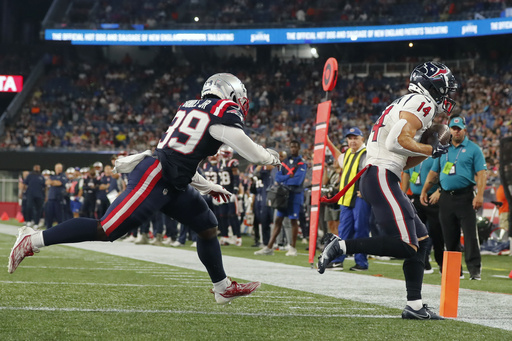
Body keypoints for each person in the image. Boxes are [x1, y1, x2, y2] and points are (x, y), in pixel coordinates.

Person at [8, 73, 281, 304]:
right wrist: (271, 156)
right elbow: (254, 155)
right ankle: (32, 240)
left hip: (171, 178)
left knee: (207, 224)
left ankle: (222, 288)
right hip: (155, 176)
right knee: (106, 229)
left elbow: (181, 158)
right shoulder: (221, 113)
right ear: (230, 94)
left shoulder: (191, 107)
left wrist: (208, 186)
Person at [317, 61, 457, 320]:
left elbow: (404, 157)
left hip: (383, 175)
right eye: (444, 88)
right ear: (431, 87)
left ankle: (414, 306)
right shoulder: (420, 103)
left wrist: (429, 148)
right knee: (405, 244)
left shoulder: (406, 104)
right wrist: (431, 148)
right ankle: (340, 246)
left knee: (422, 240)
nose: (447, 95)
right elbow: (396, 142)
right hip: (380, 174)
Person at [421, 115, 487, 280]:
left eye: (459, 128)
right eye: (453, 128)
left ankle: (474, 270)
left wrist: (479, 195)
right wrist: (424, 190)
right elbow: (434, 172)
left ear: (464, 129)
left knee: (470, 235)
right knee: (449, 236)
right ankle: (454, 271)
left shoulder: (473, 149)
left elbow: (481, 173)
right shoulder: (443, 149)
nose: (456, 131)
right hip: (446, 198)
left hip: (465, 197)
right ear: (449, 130)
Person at [325, 127, 371, 271]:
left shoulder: (367, 153)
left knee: (361, 229)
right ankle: (338, 260)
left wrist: (366, 191)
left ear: (362, 139)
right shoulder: (348, 154)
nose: (352, 141)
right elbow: (338, 156)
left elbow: (372, 174)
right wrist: (327, 142)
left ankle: (361, 262)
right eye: (350, 138)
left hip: (360, 198)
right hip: (346, 198)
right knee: (343, 230)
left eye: (355, 138)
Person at [255, 140, 307, 256]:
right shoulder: (285, 162)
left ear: (299, 148)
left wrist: (285, 179)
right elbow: (277, 178)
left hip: (295, 195)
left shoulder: (302, 163)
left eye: (295, 146)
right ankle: (269, 247)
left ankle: (292, 247)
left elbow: (297, 181)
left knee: (293, 220)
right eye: (291, 146)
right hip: (283, 195)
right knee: (278, 220)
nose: (292, 149)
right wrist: (288, 176)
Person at [401, 157, 444, 274]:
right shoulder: (411, 155)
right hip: (415, 198)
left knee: (437, 233)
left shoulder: (436, 155)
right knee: (416, 233)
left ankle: (442, 264)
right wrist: (403, 194)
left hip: (432, 198)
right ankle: (423, 263)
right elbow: (405, 173)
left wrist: (440, 190)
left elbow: (442, 173)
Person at [44, 163, 68, 229]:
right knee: (49, 217)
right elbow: (47, 182)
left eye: (59, 168)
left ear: (61, 169)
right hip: (51, 199)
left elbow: (59, 183)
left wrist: (52, 182)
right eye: (57, 168)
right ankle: (48, 231)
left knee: (60, 218)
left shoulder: (63, 176)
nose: (58, 169)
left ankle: (60, 231)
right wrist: (54, 182)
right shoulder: (52, 176)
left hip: (59, 199)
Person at [22, 165, 46, 229]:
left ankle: (36, 223)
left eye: (38, 168)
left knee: (39, 209)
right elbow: (24, 184)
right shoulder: (30, 175)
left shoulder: (41, 176)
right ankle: (29, 220)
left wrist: (45, 195)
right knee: (29, 207)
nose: (37, 169)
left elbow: (45, 186)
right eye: (36, 168)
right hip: (30, 194)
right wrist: (23, 192)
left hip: (39, 195)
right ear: (33, 168)